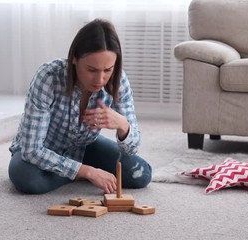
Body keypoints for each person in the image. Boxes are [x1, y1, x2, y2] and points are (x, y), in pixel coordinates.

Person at [8, 18, 152, 194]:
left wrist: (123, 125)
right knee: (28, 179)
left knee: (141, 174)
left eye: (108, 70)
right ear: (74, 59)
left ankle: (69, 172)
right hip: (44, 149)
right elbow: (31, 150)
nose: (100, 80)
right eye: (91, 70)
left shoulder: (119, 80)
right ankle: (80, 173)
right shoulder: (48, 78)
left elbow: (132, 148)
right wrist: (87, 171)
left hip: (84, 147)